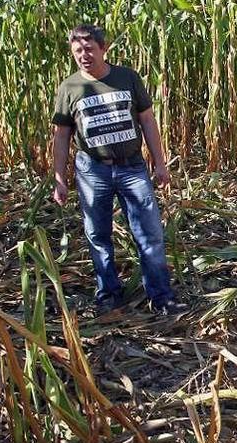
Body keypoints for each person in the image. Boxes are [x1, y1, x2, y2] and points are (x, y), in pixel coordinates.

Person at [51, 24, 186, 316]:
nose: (83, 56)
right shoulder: (69, 88)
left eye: (89, 49)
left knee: (149, 233)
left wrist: (160, 164)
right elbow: (61, 135)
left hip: (132, 167)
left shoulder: (127, 78)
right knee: (98, 235)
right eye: (77, 51)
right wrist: (60, 179)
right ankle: (109, 295)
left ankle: (162, 297)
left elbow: (147, 120)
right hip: (92, 170)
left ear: (103, 48)